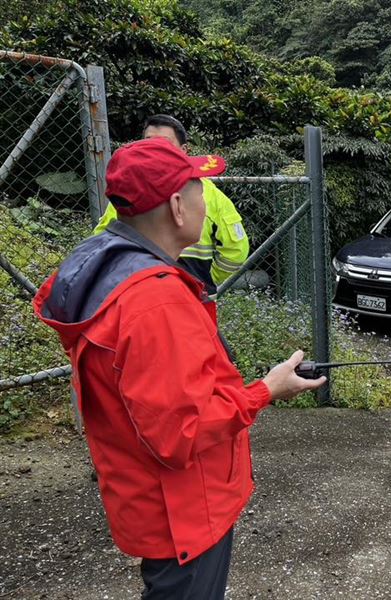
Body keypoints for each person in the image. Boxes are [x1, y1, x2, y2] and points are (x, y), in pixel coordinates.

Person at [33, 137, 326, 599]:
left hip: (148, 495)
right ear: (176, 206)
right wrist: (266, 390)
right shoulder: (157, 303)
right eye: (200, 190)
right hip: (184, 511)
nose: (206, 202)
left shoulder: (114, 268)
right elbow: (180, 435)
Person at [94, 114, 249, 296]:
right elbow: (236, 250)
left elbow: (101, 243)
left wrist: (207, 279)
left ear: (184, 150)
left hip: (162, 294)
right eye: (148, 143)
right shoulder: (128, 191)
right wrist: (208, 278)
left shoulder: (129, 192)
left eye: (164, 144)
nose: (155, 150)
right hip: (170, 295)